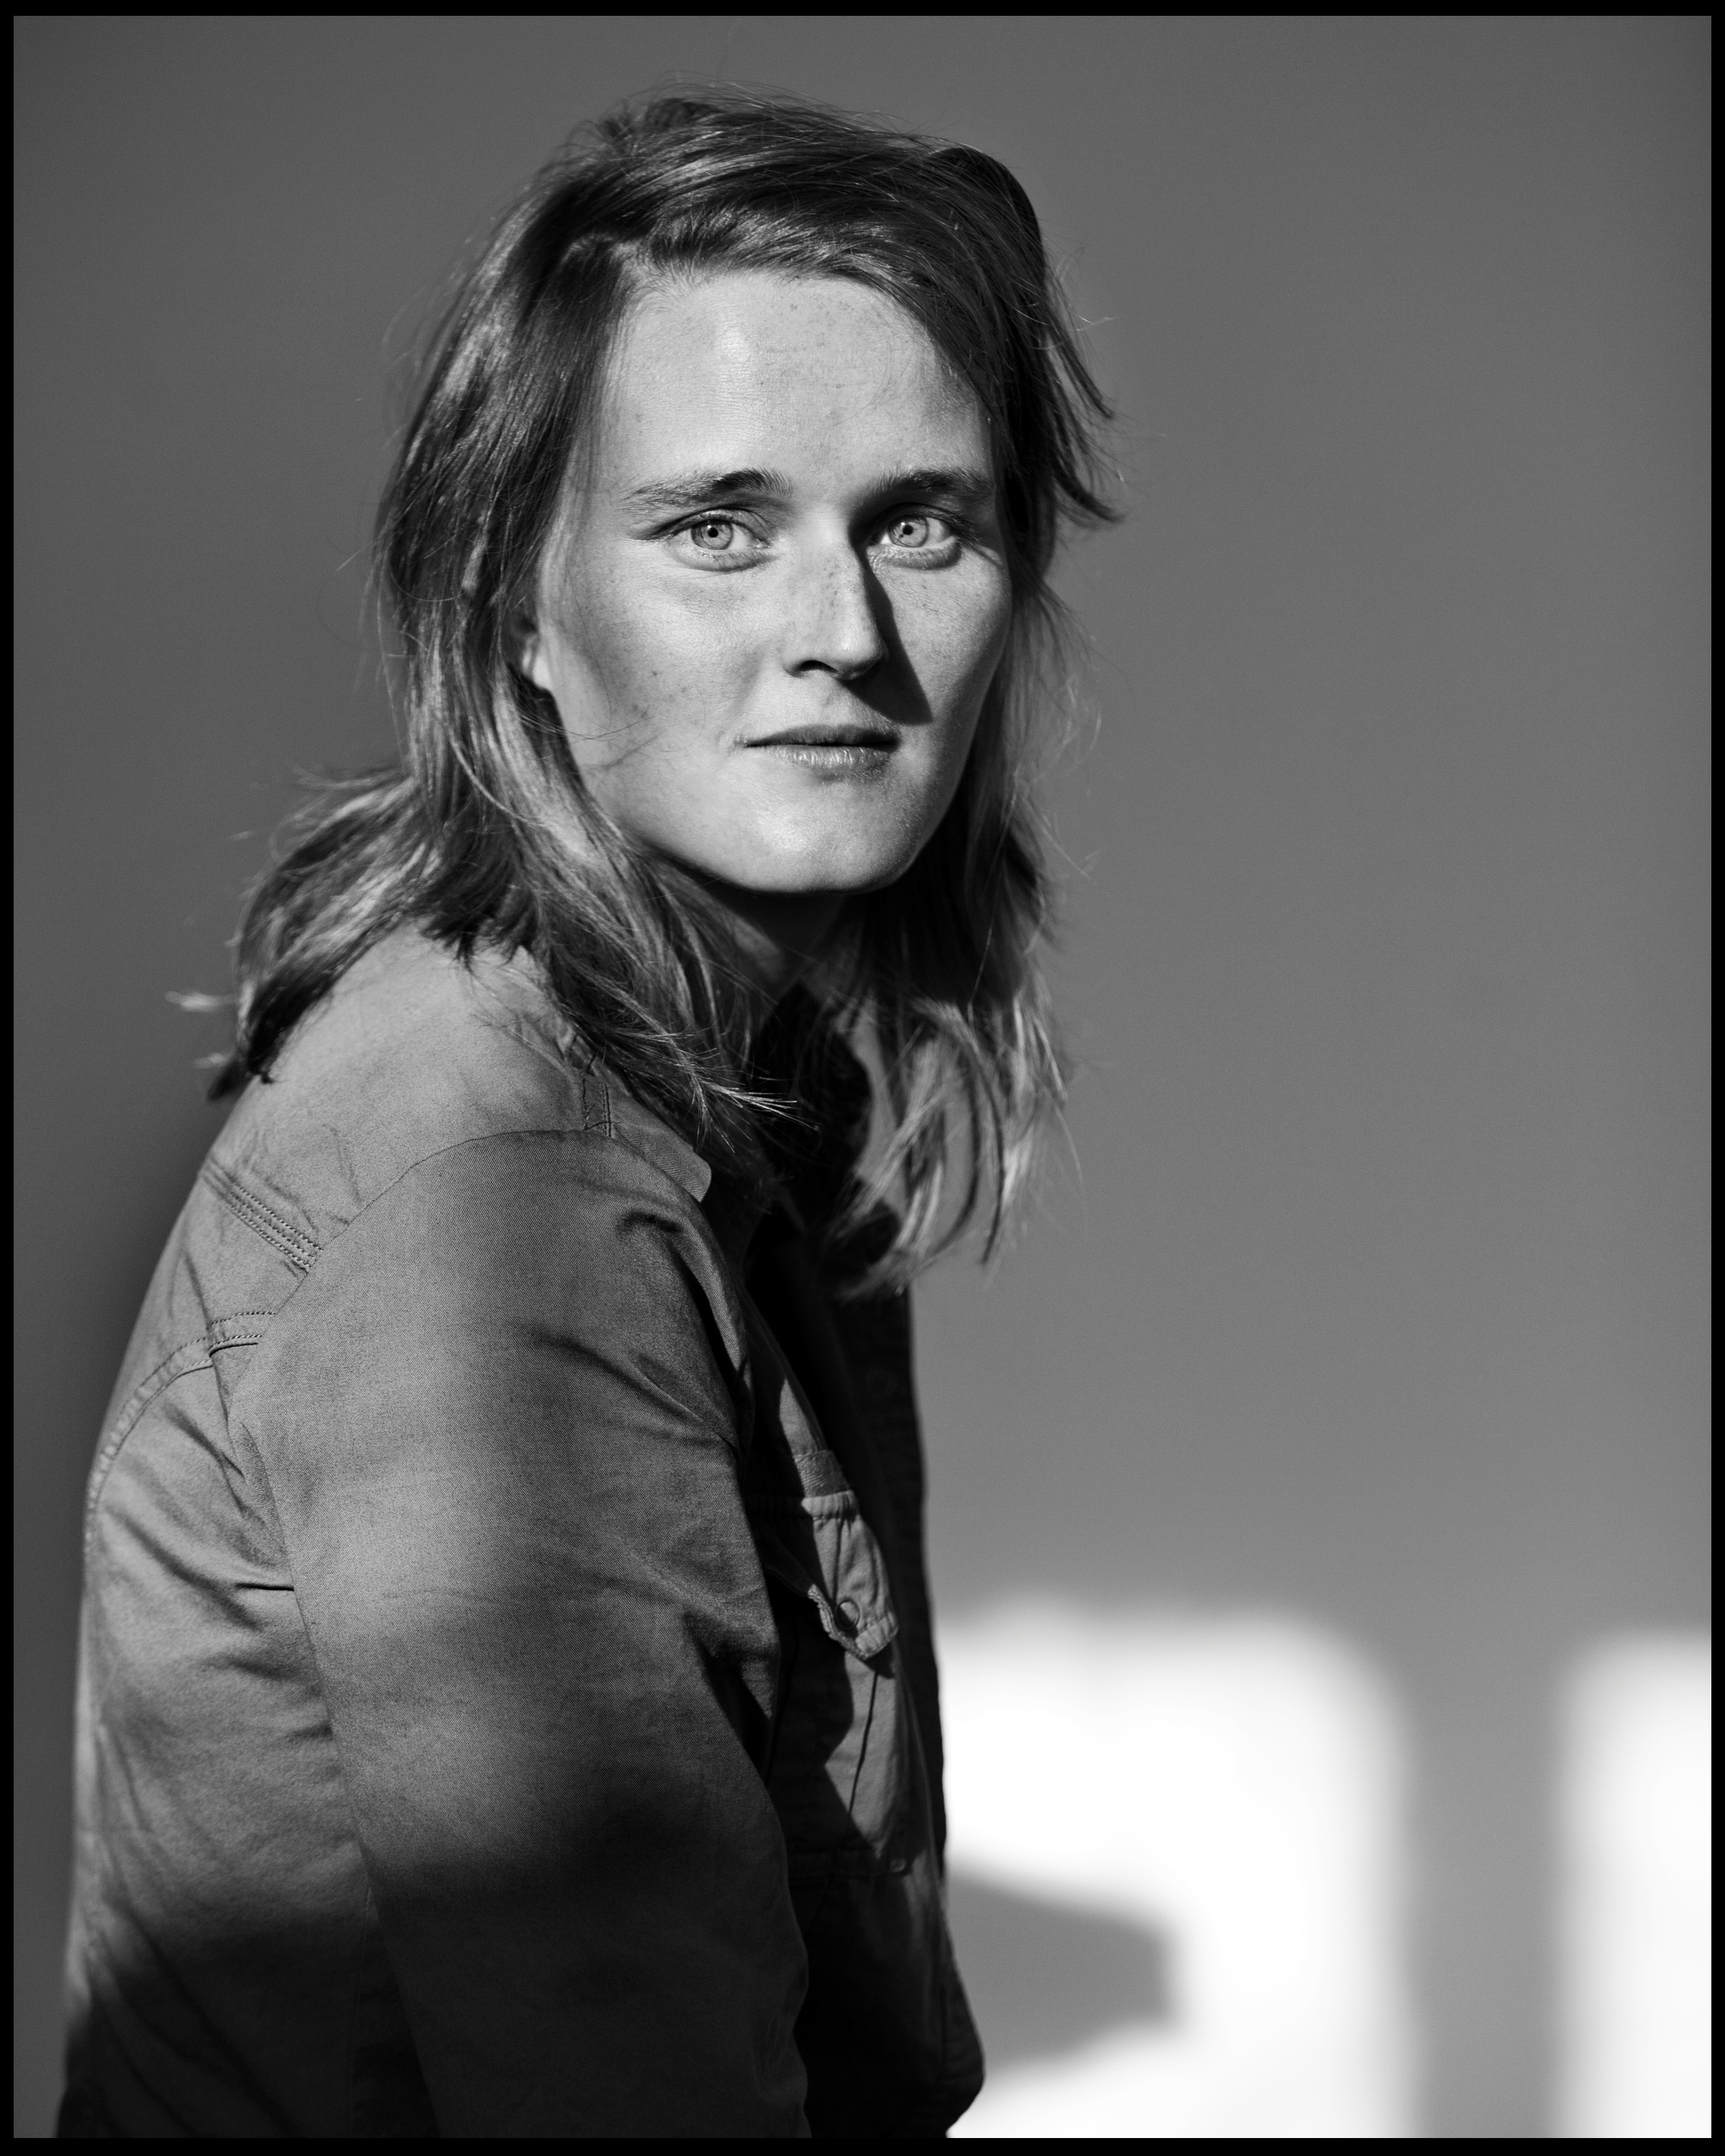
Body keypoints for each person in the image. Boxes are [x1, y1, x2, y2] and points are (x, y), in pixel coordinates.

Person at [58, 90, 1113, 2139]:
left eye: (922, 523)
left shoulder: (739, 1097)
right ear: (513, 605)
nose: (843, 635)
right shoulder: (507, 1187)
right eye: (718, 527)